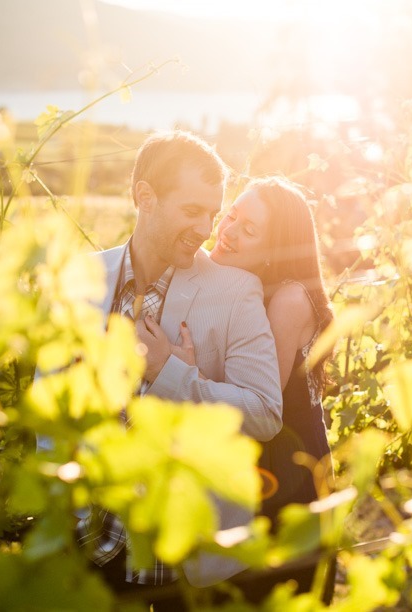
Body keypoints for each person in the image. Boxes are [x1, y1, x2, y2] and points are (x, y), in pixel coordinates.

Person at [84, 130, 284, 606]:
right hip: (92, 552)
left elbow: (265, 413)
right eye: (193, 211)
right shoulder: (85, 278)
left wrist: (172, 374)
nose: (207, 229)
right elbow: (49, 396)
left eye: (213, 214)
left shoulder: (235, 291)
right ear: (145, 197)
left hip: (186, 562)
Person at [140, 175, 337, 604]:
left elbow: (258, 405)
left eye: (249, 230)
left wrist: (180, 370)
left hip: (286, 470)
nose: (226, 232)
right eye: (231, 216)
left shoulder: (287, 300)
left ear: (277, 248)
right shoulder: (236, 284)